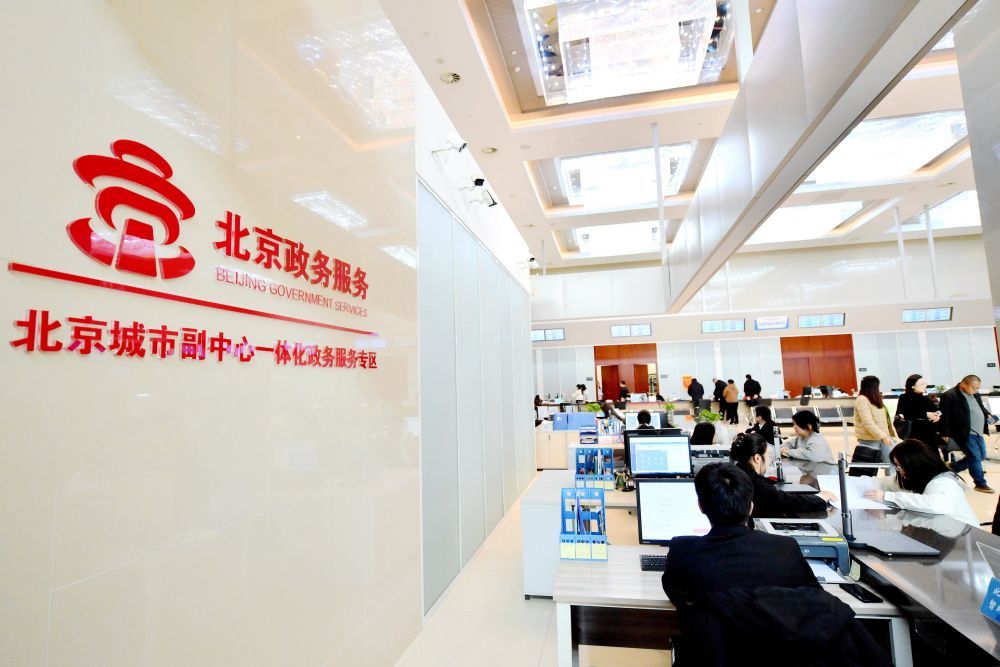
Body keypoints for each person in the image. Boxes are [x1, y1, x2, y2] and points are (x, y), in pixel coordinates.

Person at [662, 463, 887, 666]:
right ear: (751, 507)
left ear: (701, 506)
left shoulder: (683, 551)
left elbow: (677, 594)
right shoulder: (785, 547)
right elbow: (812, 600)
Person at [863, 439, 980, 527]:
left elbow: (936, 505)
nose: (899, 471)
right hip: (942, 532)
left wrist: (887, 496)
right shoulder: (916, 477)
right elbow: (888, 482)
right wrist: (862, 483)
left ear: (915, 464)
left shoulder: (944, 482)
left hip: (962, 539)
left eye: (901, 466)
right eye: (897, 466)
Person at [730, 432, 834, 518]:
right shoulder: (755, 484)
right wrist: (820, 498)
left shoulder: (739, 472)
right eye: (768, 456)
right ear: (757, 458)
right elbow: (787, 502)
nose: (770, 460)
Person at [939, 374, 995, 494]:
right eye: (973, 387)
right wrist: (945, 432)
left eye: (977, 388)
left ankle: (953, 468)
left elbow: (980, 407)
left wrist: (987, 414)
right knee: (975, 457)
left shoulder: (975, 394)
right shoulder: (949, 395)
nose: (975, 390)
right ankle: (980, 484)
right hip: (964, 432)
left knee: (981, 456)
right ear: (963, 384)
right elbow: (945, 415)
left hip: (978, 431)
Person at [853, 375, 897, 475]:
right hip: (869, 438)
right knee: (868, 467)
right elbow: (867, 422)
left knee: (892, 462)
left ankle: (892, 482)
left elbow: (886, 420)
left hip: (885, 437)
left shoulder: (876, 399)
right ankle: (866, 484)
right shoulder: (862, 400)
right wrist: (882, 436)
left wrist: (892, 436)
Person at [781, 411, 835, 477]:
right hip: (811, 473)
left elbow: (812, 455)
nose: (794, 427)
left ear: (809, 426)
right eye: (794, 424)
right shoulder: (801, 438)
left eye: (797, 424)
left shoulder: (817, 439)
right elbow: (787, 444)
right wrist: (784, 448)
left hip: (823, 476)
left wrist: (788, 452)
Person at [894, 374, 940, 450]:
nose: (925, 386)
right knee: (916, 453)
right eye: (922, 384)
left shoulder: (925, 399)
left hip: (929, 432)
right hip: (913, 432)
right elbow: (904, 413)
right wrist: (926, 414)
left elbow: (936, 411)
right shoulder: (904, 398)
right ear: (912, 386)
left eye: (925, 384)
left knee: (931, 453)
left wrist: (937, 416)